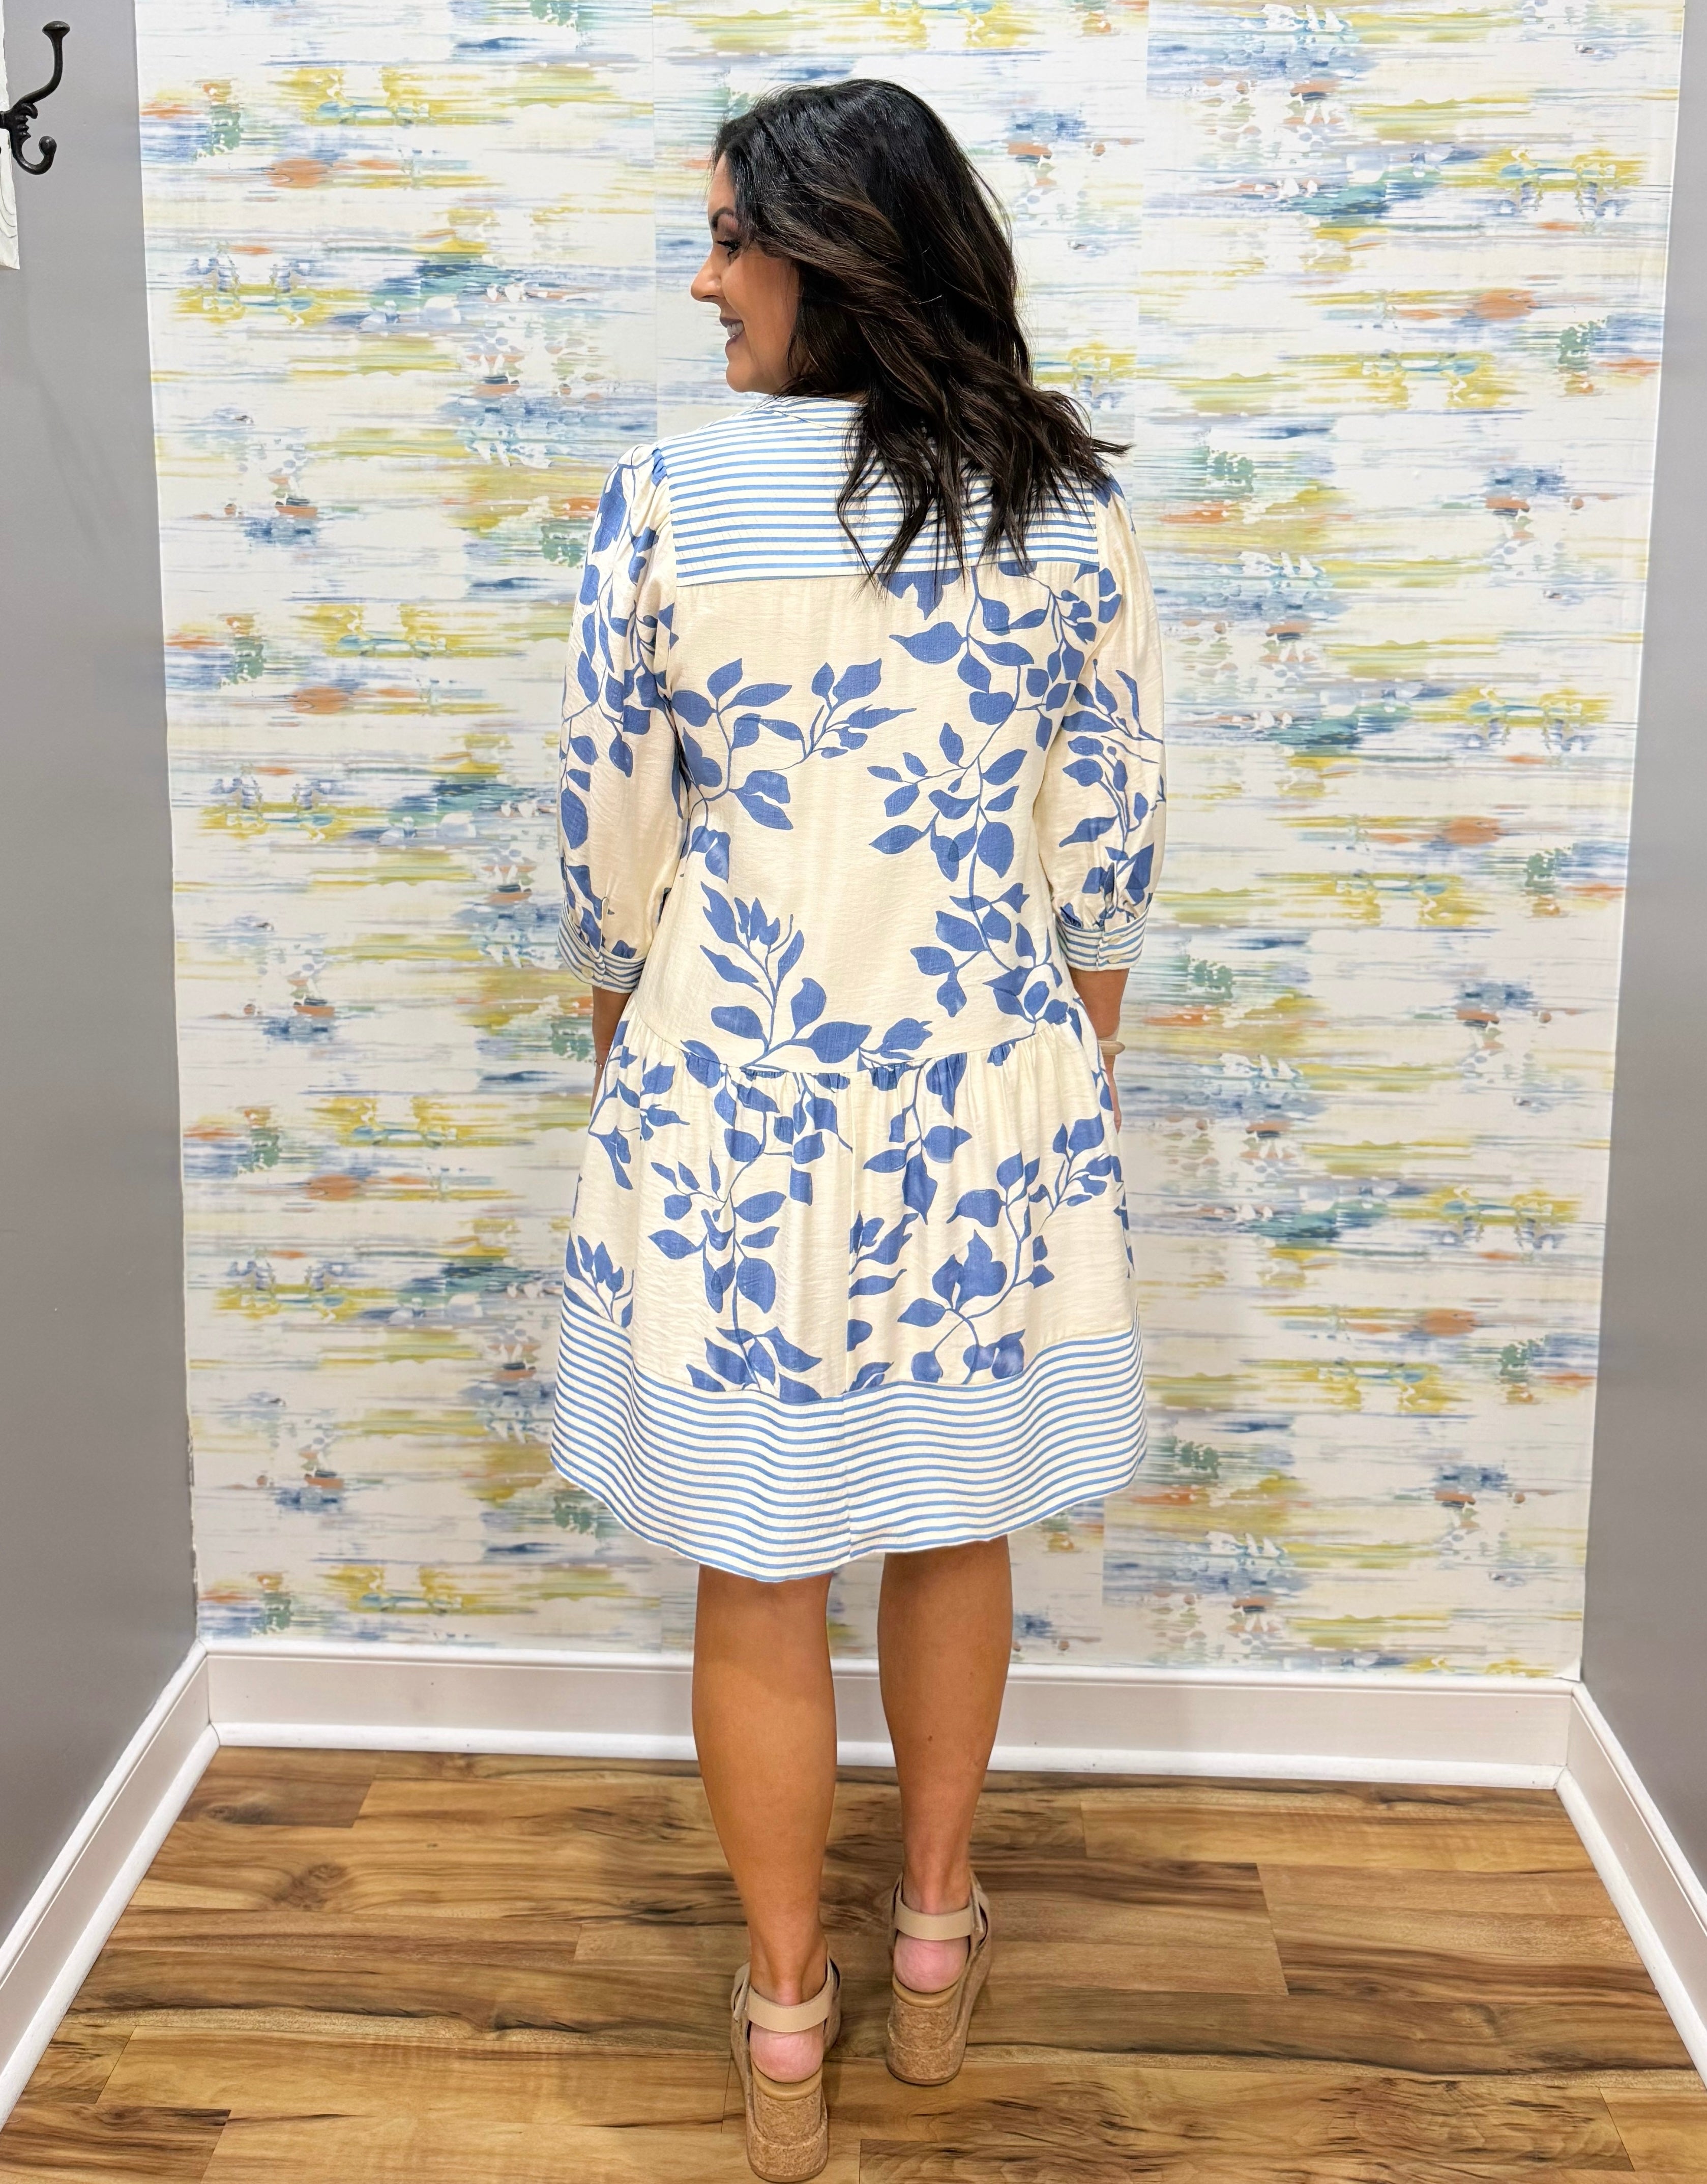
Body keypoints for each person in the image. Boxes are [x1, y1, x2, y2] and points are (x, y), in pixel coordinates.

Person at [551, 77, 1164, 2184]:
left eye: (727, 236)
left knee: (758, 1549)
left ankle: (789, 2020)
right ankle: (927, 1947)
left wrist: (630, 1027)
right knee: (948, 1511)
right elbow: (1107, 855)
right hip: (983, 1072)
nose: (703, 276)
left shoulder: (666, 497)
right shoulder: (1065, 511)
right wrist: (1057, 1069)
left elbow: (605, 838)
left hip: (735, 1074)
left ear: (827, 255)